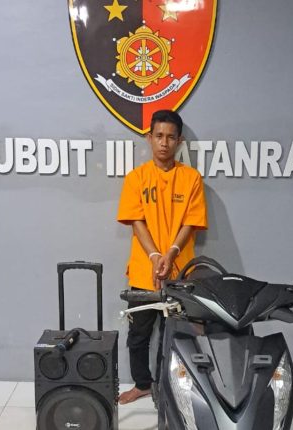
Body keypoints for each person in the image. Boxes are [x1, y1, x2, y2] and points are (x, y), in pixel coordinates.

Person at [116, 110, 208, 404]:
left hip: (180, 273)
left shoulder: (191, 178)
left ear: (179, 141)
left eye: (170, 137)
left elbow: (190, 223)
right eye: (159, 136)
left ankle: (170, 388)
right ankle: (143, 384)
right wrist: (155, 255)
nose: (164, 143)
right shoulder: (136, 178)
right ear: (149, 138)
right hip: (144, 271)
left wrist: (170, 253)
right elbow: (136, 221)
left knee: (176, 336)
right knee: (138, 335)